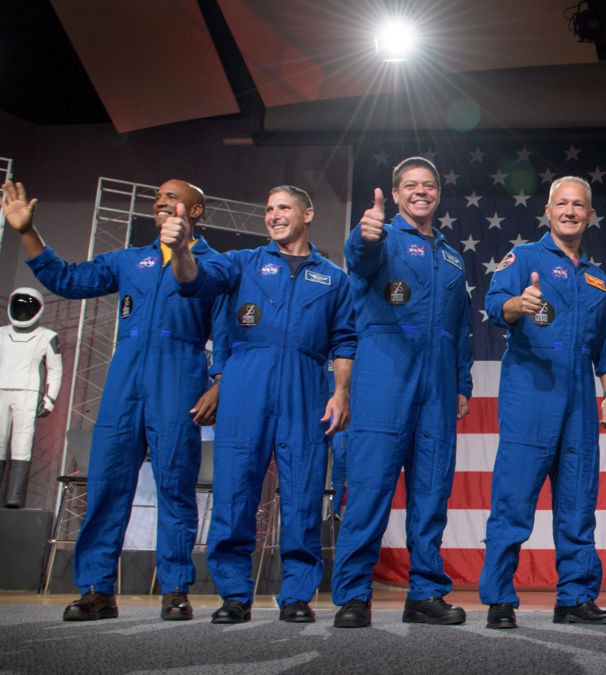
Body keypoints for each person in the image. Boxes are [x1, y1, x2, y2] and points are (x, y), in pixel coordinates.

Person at [3, 179, 227, 622]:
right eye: (157, 196)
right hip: (125, 382)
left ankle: (175, 590)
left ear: (196, 210)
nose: (160, 201)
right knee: (106, 486)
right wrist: (27, 231)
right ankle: (97, 589)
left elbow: (227, 331)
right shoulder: (130, 260)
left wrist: (219, 384)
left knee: (176, 488)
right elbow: (66, 279)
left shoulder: (215, 265)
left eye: (171, 196)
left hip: (178, 378)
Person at [165, 185, 355, 624]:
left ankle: (297, 596)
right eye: (268, 209)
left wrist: (341, 392)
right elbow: (194, 279)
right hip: (245, 383)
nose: (273, 215)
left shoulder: (333, 277)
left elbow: (345, 340)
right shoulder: (241, 262)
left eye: (283, 207)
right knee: (234, 490)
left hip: (306, 386)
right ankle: (234, 595)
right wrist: (181, 250)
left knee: (303, 494)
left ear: (307, 214)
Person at [331, 157, 473, 629]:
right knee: (369, 487)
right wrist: (365, 235)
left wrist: (462, 383)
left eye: (428, 185)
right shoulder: (382, 237)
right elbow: (360, 257)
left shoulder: (453, 258)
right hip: (384, 375)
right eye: (410, 185)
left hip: (438, 384)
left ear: (439, 194)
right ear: (395, 194)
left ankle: (425, 593)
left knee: (431, 492)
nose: (420, 191)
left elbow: (461, 328)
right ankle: (354, 595)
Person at [479, 176, 606, 629]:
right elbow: (494, 304)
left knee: (578, 500)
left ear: (590, 215)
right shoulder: (524, 258)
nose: (570, 211)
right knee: (514, 496)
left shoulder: (597, 278)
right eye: (562, 204)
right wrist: (518, 304)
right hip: (532, 386)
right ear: (548, 211)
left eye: (579, 205)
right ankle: (500, 599)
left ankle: (575, 597)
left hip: (580, 392)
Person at [0, 287, 63, 508]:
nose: (23, 312)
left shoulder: (47, 336)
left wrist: (50, 399)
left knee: (22, 441)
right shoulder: (1, 333)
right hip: (2, 390)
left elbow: (55, 370)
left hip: (27, 393)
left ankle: (14, 496)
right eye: (19, 306)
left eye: (28, 307)